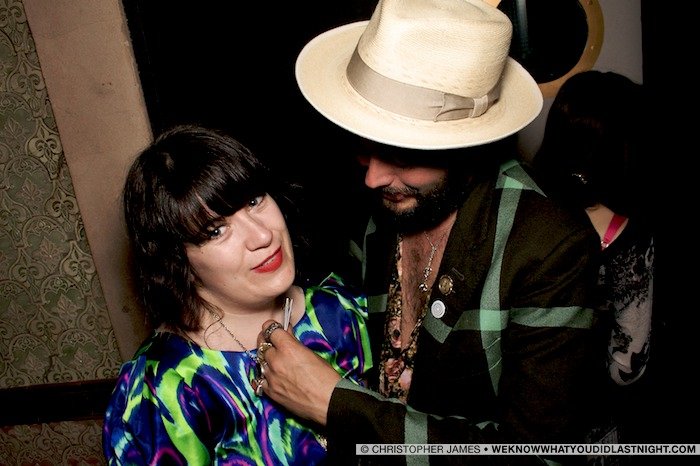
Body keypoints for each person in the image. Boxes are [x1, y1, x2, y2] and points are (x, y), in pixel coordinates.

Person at [252, 1, 602, 464]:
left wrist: (336, 406)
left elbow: (540, 456)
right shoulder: (381, 207)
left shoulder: (550, 246)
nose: (373, 178)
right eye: (364, 144)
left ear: (470, 148)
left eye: (402, 155)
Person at [102, 124, 372, 465]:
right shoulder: (169, 388)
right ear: (176, 260)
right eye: (216, 230)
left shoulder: (343, 311)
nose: (262, 235)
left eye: (254, 201)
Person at [532, 71, 654, 447]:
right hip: (587, 425)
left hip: (522, 412)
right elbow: (627, 364)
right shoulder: (628, 236)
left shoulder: (523, 206)